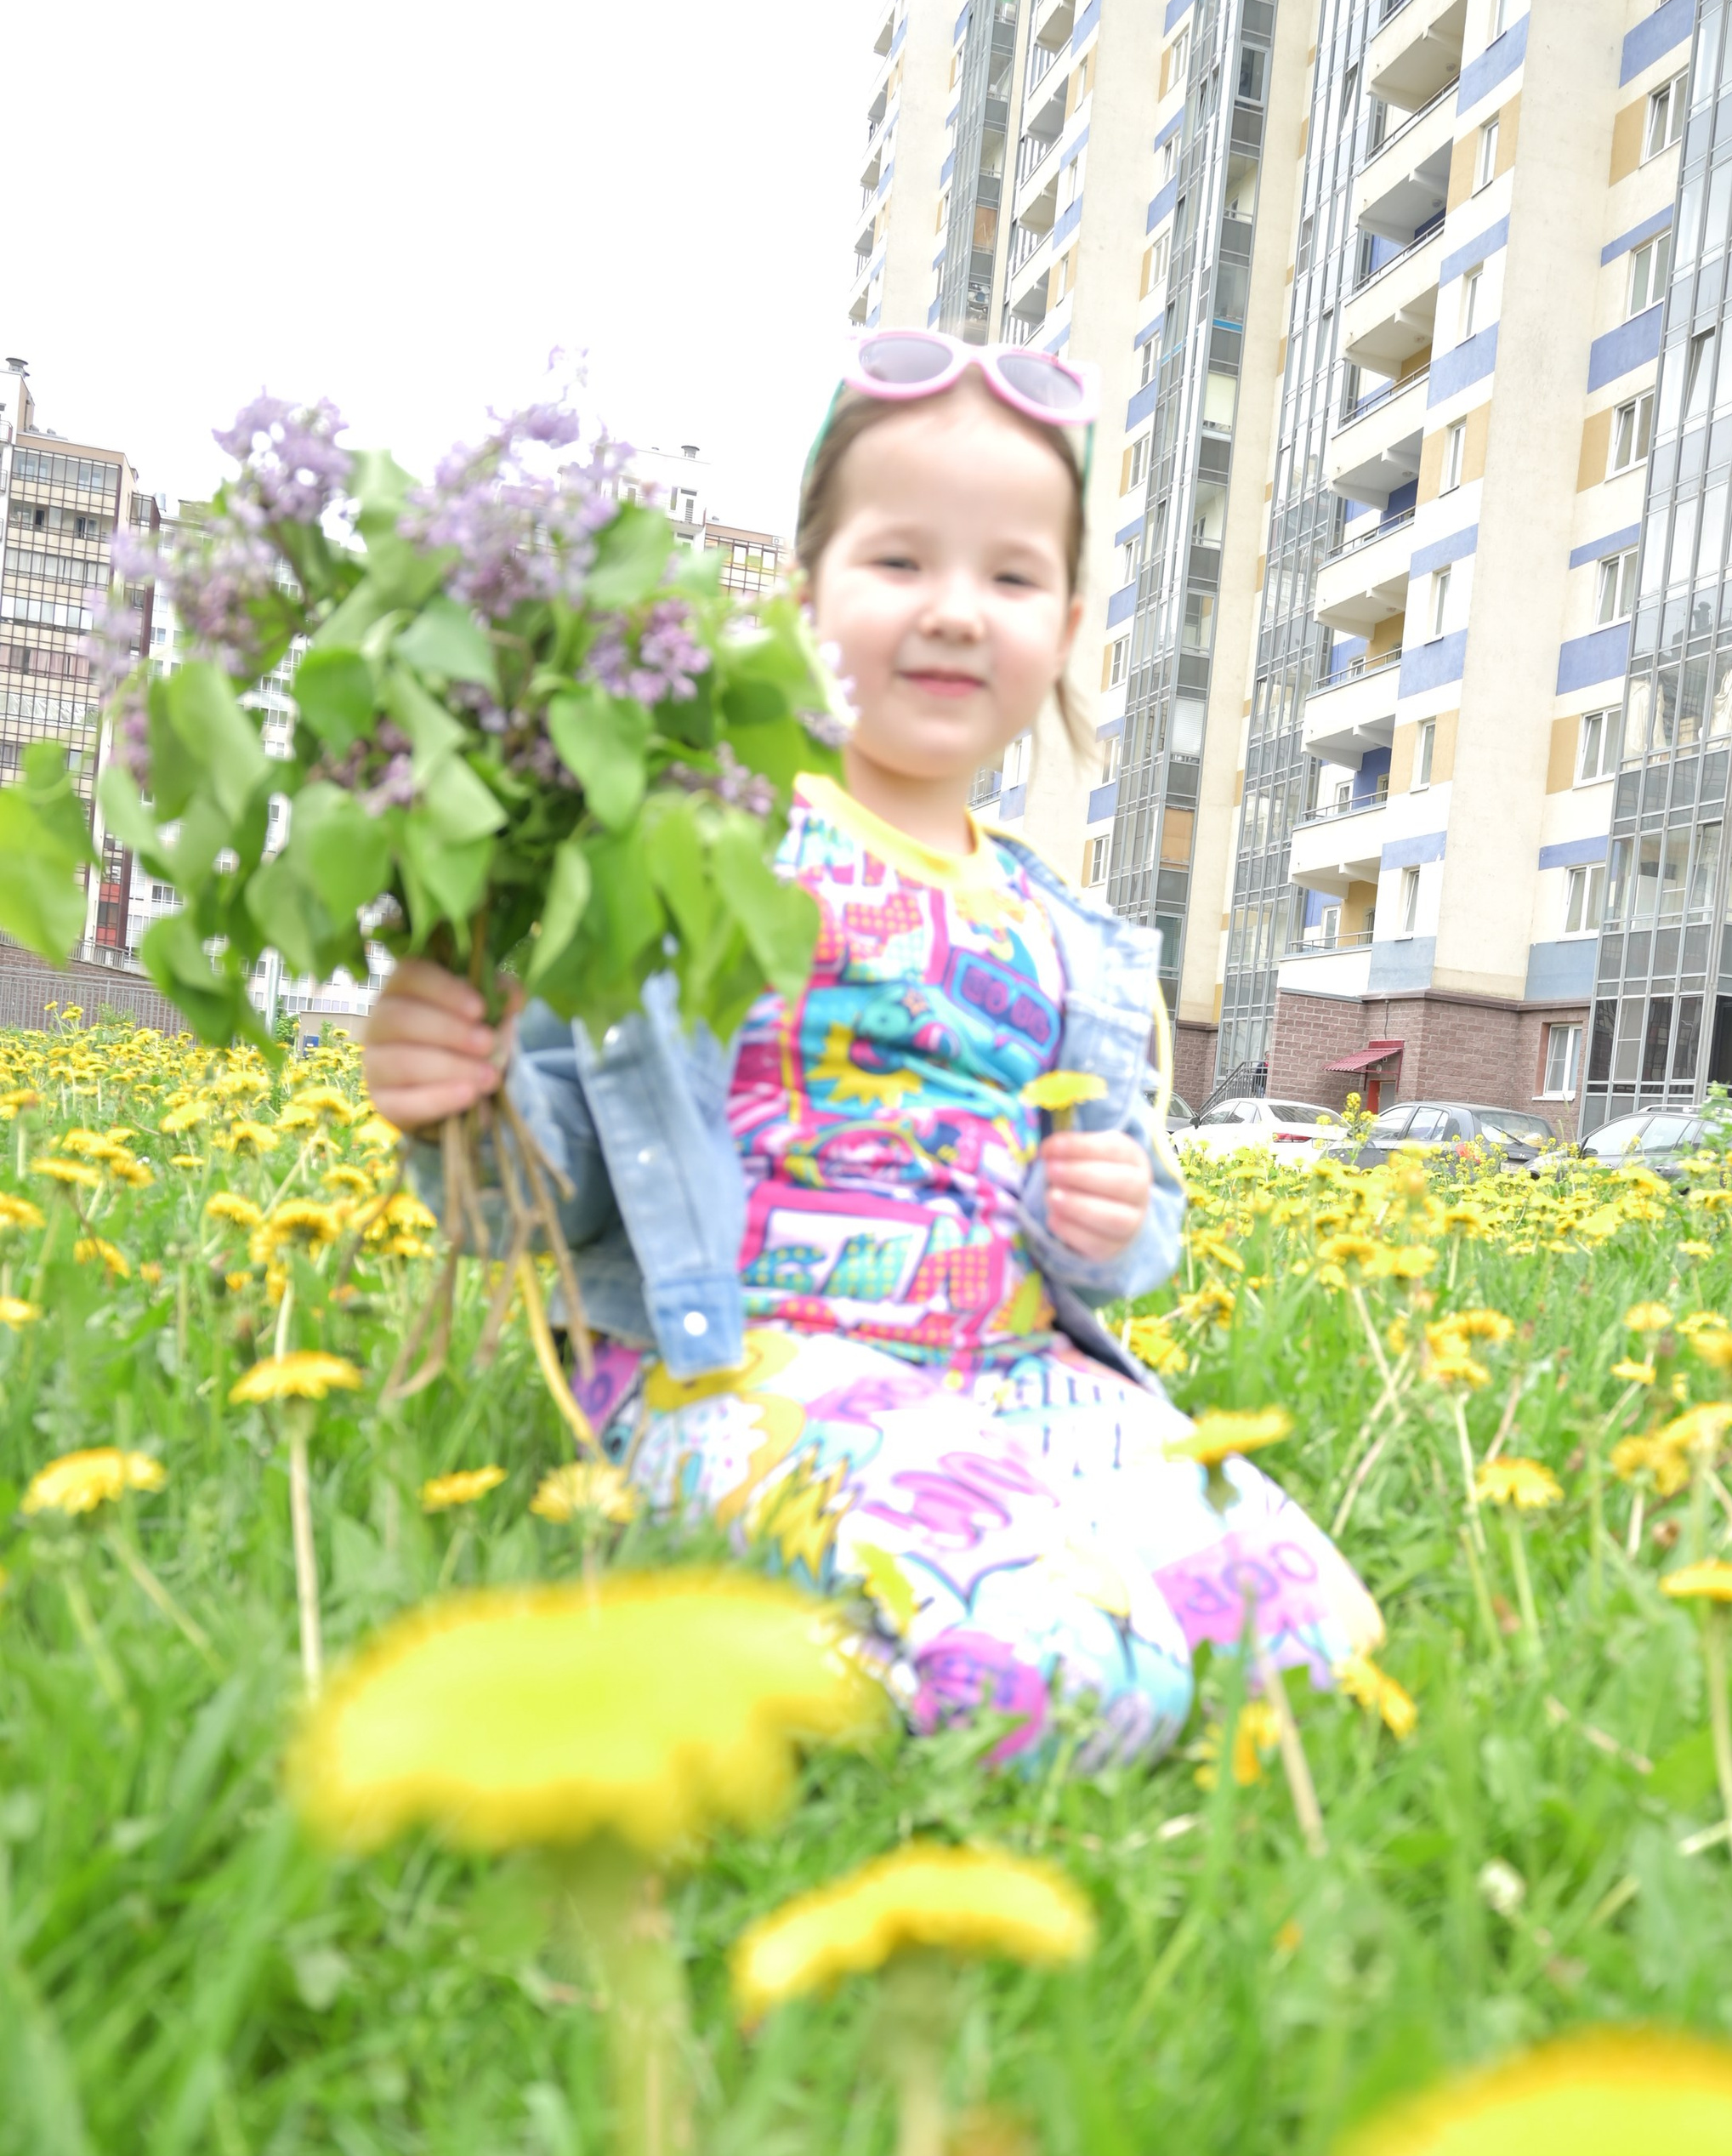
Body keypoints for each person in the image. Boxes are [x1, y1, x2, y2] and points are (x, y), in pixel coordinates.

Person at [363, 334, 1379, 1770]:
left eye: (1012, 577)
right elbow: (557, 1195)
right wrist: (461, 1103)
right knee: (1090, 1681)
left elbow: (1118, 1214)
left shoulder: (1064, 928)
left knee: (1313, 1653)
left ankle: (942, 1587)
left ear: (1071, 623)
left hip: (1010, 1370)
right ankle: (702, 1678)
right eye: (900, 563)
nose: (958, 612)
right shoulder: (705, 846)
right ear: (804, 595)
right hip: (736, 1367)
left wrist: (1104, 1214)